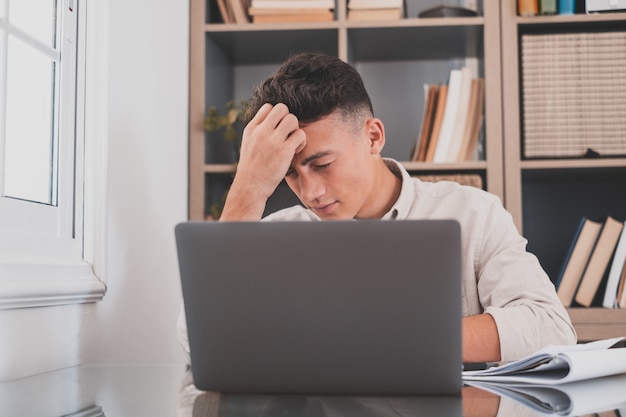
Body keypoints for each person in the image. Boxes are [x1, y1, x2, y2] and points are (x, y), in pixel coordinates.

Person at [180, 51, 576, 363]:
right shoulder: (279, 233)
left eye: (322, 164)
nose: (311, 192)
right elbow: (197, 344)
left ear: (373, 137)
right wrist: (247, 189)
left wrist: (392, 336)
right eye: (291, 174)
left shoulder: (471, 213)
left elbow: (550, 327)